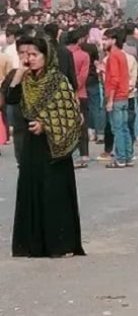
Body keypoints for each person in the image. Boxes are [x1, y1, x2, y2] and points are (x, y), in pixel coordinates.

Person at [4, 35, 85, 257]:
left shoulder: (58, 81)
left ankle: (60, 244)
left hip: (54, 148)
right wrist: (19, 72)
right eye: (24, 54)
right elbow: (10, 99)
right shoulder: (24, 80)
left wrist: (46, 124)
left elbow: (71, 114)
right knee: (32, 191)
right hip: (30, 145)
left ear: (46, 56)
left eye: (33, 55)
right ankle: (32, 245)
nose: (28, 59)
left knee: (54, 193)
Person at [103, 28, 133, 168]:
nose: (103, 42)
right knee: (124, 127)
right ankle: (127, 155)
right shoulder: (122, 54)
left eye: (106, 39)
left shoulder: (113, 56)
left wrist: (110, 100)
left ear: (113, 40)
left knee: (118, 128)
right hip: (124, 95)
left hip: (116, 97)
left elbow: (114, 79)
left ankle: (120, 157)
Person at [67, 28, 91, 168]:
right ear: (81, 39)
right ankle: (84, 153)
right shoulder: (84, 55)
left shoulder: (63, 53)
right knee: (82, 124)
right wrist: (76, 87)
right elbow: (83, 76)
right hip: (80, 93)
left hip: (65, 93)